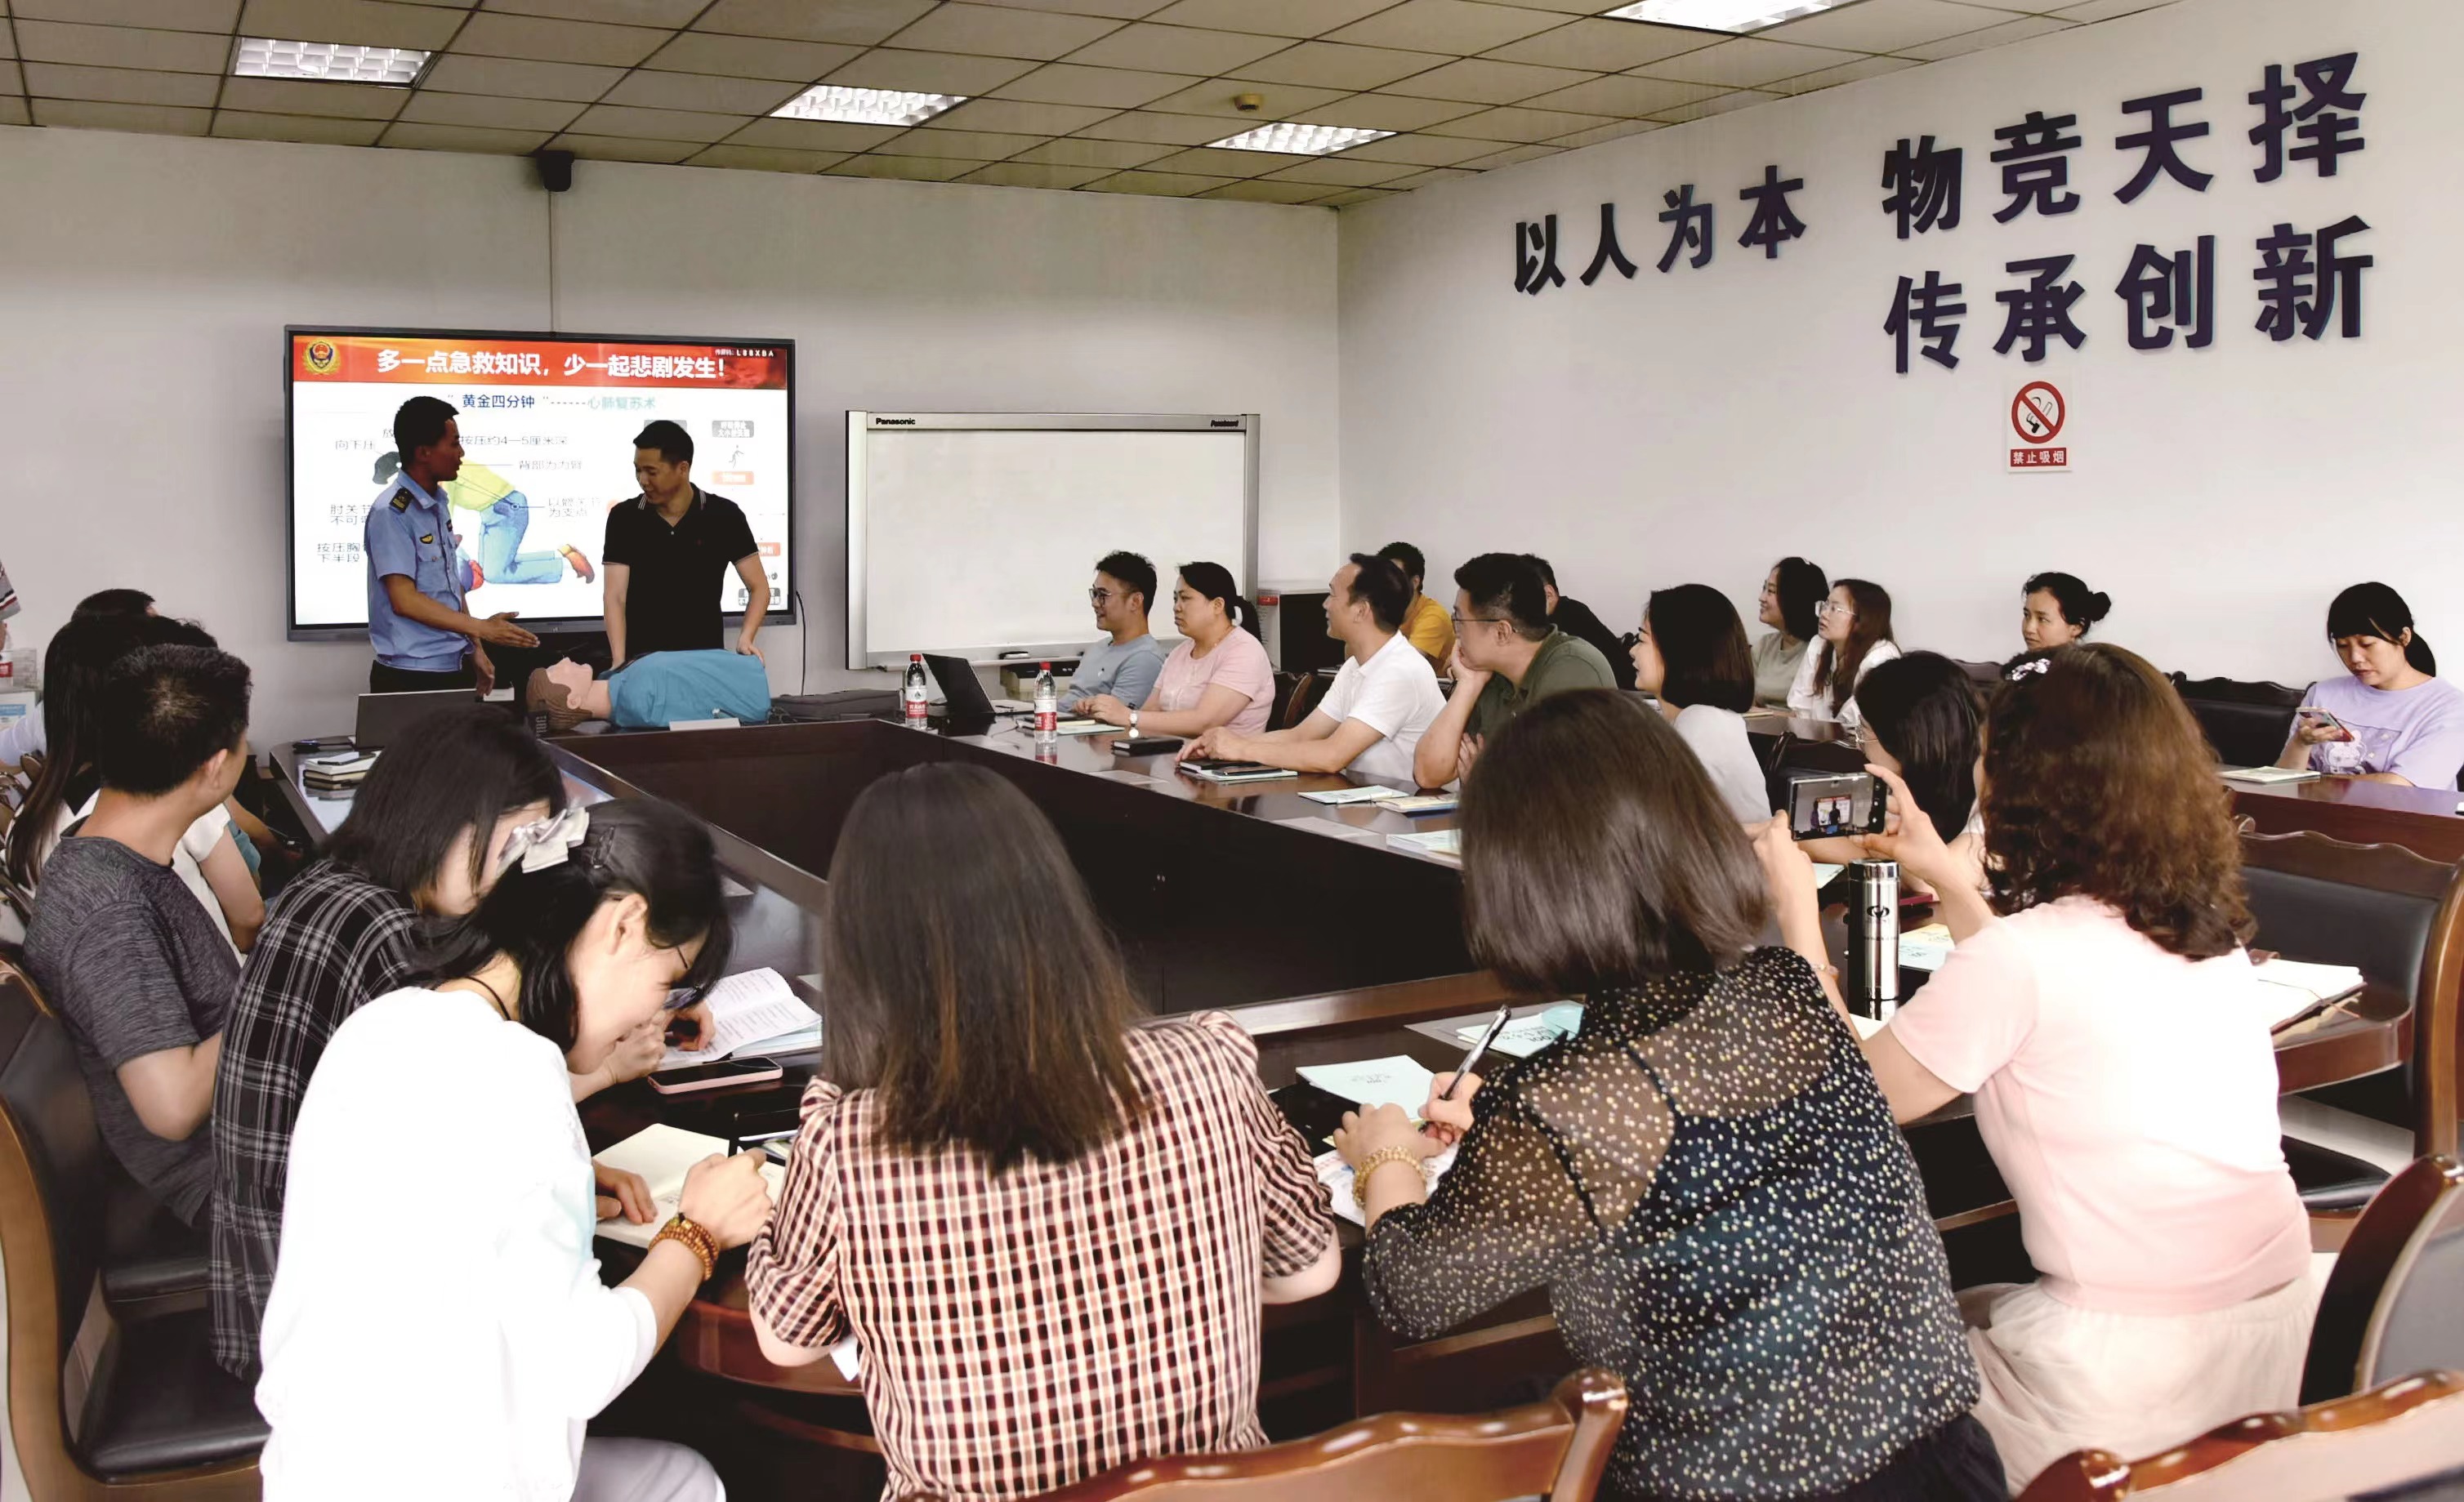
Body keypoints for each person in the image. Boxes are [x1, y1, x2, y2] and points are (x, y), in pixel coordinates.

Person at [1337, 691, 1999, 1501]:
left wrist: (1387, 1156)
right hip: (1946, 1468)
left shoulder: (1570, 1104)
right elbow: (1705, 1149)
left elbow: (1409, 1292)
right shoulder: (1788, 988)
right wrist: (1515, 1135)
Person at [1767, 645, 2311, 1489]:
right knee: (1968, 1303)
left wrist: (1798, 920)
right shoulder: (2207, 939)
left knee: (1810, 1382)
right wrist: (1943, 871)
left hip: (2119, 1388)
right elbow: (2039, 987)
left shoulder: (2021, 960)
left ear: (2022, 789)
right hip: (2275, 1343)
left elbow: (1848, 1097)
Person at [747, 763, 1338, 1500]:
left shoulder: (851, 1142)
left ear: (864, 952)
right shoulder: (1210, 1061)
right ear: (1053, 903)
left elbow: (786, 1337)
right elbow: (1308, 1268)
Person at [255, 799, 766, 1501]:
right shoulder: (522, 1079)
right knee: (690, 1482)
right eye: (663, 984)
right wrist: (697, 1232)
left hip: (313, 1472)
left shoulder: (382, 1022)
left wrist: (566, 1182)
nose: (652, 1015)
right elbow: (586, 1365)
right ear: (623, 925)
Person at [209, 708, 694, 1377]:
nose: (520, 876)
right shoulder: (389, 935)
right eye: (514, 844)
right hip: (326, 1331)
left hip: (273, 1273)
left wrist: (562, 1169)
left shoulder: (329, 884)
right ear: (440, 817)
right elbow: (469, 1094)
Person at [22, 644, 252, 1225]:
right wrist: (283, 987)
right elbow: (172, 1106)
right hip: (226, 1182)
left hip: (247, 1133)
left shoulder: (104, 854)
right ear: (215, 766)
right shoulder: (112, 911)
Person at [1178, 555, 1442, 785]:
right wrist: (1223, 744)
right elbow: (1302, 735)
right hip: (1366, 801)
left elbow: (1332, 756)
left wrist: (1241, 749)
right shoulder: (1356, 666)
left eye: (1333, 595)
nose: (1325, 604)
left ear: (1361, 611)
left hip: (1404, 810)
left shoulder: (1398, 670)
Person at [366, 396, 540, 695]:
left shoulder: (438, 503)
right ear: (424, 452)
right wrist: (481, 627)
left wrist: (476, 648)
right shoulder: (391, 512)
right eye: (454, 444)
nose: (461, 453)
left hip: (452, 665)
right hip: (410, 676)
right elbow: (404, 599)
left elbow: (450, 582)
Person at [1413, 553, 1614, 789]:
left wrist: (1486, 778)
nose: (1456, 632)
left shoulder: (1573, 668)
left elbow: (1553, 786)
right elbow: (1428, 774)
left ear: (1502, 632)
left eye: (1459, 620)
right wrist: (1468, 685)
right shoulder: (1488, 673)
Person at [1799, 652, 1985, 896]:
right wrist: (1880, 855)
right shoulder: (1902, 785)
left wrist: (1878, 852)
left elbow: (1935, 884)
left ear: (1905, 740)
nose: (1859, 745)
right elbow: (1812, 837)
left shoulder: (1990, 794)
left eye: (1864, 732)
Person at [602, 418, 769, 666]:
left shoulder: (724, 515)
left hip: (704, 663)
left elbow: (759, 587)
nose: (643, 480)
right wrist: (618, 661)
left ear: (683, 468)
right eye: (638, 470)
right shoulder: (624, 518)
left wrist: (746, 637)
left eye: (651, 472)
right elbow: (615, 597)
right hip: (643, 664)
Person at [2275, 582, 2464, 790]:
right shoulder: (2322, 694)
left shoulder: (2450, 706)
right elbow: (2282, 783)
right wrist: (2301, 743)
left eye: (2366, 644)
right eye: (2343, 646)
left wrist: (2314, 783)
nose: (2355, 658)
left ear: (2404, 637)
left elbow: (2400, 787)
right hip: (2314, 810)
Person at [1081, 561, 1274, 738]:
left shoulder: (1244, 652)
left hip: (1225, 761)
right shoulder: (1180, 653)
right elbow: (1150, 712)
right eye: (1175, 599)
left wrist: (1129, 717)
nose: (1177, 607)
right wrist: (1104, 711)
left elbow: (1205, 722)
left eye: (1185, 598)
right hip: (1172, 755)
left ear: (1217, 605)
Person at [1629, 583, 1768, 822]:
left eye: (1642, 640)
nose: (1633, 651)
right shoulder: (1704, 719)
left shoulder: (1702, 726)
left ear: (1677, 651)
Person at [374, 449, 593, 587]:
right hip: (496, 511)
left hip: (505, 510)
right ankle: (563, 555)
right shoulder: (439, 465)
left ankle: (567, 565)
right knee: (493, 569)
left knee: (496, 573)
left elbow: (442, 524)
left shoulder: (441, 474)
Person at [528, 651, 771, 732]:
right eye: (555, 671)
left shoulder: (624, 686)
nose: (564, 661)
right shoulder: (640, 700)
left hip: (748, 677)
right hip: (750, 688)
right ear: (573, 701)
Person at [1057, 550, 1169, 714]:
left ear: (1135, 601)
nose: (1095, 603)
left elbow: (1115, 719)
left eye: (1103, 595)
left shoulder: (1144, 658)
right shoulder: (1098, 648)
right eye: (1094, 594)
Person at [1789, 577, 1901, 734]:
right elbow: (1800, 708)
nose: (1823, 614)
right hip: (1816, 743)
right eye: (1825, 605)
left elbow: (1856, 723)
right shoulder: (1818, 645)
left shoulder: (1882, 658)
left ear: (1862, 619)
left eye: (1834, 609)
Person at [1520, 554, 1635, 691]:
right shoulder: (1568, 611)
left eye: (1521, 597)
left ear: (1548, 594)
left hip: (1618, 694)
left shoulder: (1572, 617)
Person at [1754, 556, 1828, 708]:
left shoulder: (1821, 650)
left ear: (1796, 599)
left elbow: (1816, 713)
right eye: (1764, 588)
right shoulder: (1764, 645)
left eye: (1771, 591)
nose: (1761, 598)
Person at [1377, 541, 1456, 675]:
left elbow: (1403, 668)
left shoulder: (1433, 616)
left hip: (1439, 687)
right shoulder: (1380, 611)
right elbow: (1354, 659)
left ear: (1414, 582)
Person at [2020, 572, 2111, 652]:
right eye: (2027, 615)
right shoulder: (2020, 665)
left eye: (2042, 619)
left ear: (2076, 628)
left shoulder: (2087, 666)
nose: (2029, 629)